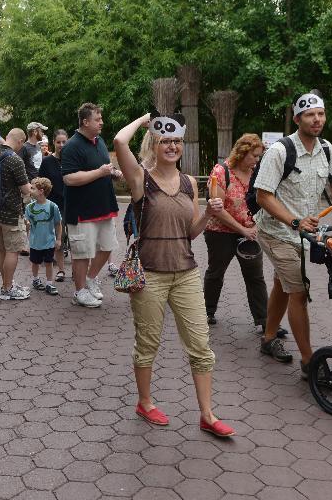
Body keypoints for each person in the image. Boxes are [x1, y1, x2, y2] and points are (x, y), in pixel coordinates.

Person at [114, 112, 235, 437]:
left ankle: (207, 415)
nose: (171, 146)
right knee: (148, 344)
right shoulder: (141, 179)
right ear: (154, 143)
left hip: (185, 273)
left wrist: (209, 213)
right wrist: (142, 120)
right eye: (165, 140)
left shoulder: (189, 183)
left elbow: (191, 232)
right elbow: (118, 142)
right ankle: (145, 402)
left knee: (201, 346)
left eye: (176, 141)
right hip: (150, 275)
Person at [254, 92, 332, 377]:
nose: (317, 119)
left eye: (321, 114)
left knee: (284, 284)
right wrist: (294, 221)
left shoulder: (327, 149)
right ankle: (309, 361)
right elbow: (263, 196)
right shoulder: (280, 151)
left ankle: (269, 338)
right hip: (276, 231)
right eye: (309, 115)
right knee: (299, 292)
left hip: (303, 234)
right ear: (297, 119)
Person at [204, 134, 280, 334]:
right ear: (241, 153)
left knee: (255, 276)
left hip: (249, 232)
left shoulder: (257, 172)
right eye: (254, 156)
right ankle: (206, 312)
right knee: (216, 272)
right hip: (220, 232)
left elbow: (264, 199)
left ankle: (265, 321)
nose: (257, 160)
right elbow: (217, 209)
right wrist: (242, 230)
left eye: (259, 156)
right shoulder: (221, 172)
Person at [62, 103, 121, 308]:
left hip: (104, 207)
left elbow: (102, 168)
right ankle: (79, 292)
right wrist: (101, 172)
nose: (102, 122)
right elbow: (69, 179)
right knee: (82, 254)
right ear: (85, 122)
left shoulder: (100, 141)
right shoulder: (72, 146)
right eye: (97, 119)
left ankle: (91, 278)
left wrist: (112, 173)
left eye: (101, 118)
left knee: (107, 247)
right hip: (82, 212)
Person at [0, 128, 32, 300]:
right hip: (11, 212)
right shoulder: (15, 160)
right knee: (13, 251)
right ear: (21, 142)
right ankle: (8, 289)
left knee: (1, 250)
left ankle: (5, 284)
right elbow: (25, 189)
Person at [38, 129, 68, 282]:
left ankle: (78, 271)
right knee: (59, 239)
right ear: (53, 143)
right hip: (55, 205)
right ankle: (61, 270)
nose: (61, 145)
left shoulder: (73, 159)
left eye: (64, 142)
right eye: (58, 142)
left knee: (77, 239)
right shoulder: (47, 161)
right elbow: (41, 183)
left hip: (73, 203)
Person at [25, 177, 62, 296]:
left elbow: (58, 224)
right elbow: (27, 223)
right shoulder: (29, 208)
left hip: (49, 241)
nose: (30, 190)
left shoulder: (52, 207)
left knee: (49, 262)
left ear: (41, 191)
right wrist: (27, 225)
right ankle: (35, 279)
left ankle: (49, 283)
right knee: (35, 262)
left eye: (33, 188)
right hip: (35, 242)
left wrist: (59, 239)